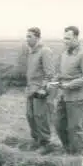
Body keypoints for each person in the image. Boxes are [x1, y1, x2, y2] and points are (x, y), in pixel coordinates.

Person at [48, 26, 83, 155]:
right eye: (64, 38)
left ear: (76, 38)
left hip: (77, 98)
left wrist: (69, 85)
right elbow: (61, 73)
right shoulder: (64, 54)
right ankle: (69, 151)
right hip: (63, 97)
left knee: (74, 128)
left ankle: (78, 155)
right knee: (59, 125)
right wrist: (54, 81)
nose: (65, 41)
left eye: (68, 38)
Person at [24, 27, 57, 155]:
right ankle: (36, 140)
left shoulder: (45, 51)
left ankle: (46, 143)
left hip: (39, 90)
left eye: (30, 36)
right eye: (26, 36)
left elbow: (50, 74)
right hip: (30, 89)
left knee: (40, 116)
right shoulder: (31, 52)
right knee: (30, 116)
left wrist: (43, 89)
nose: (27, 39)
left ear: (37, 37)